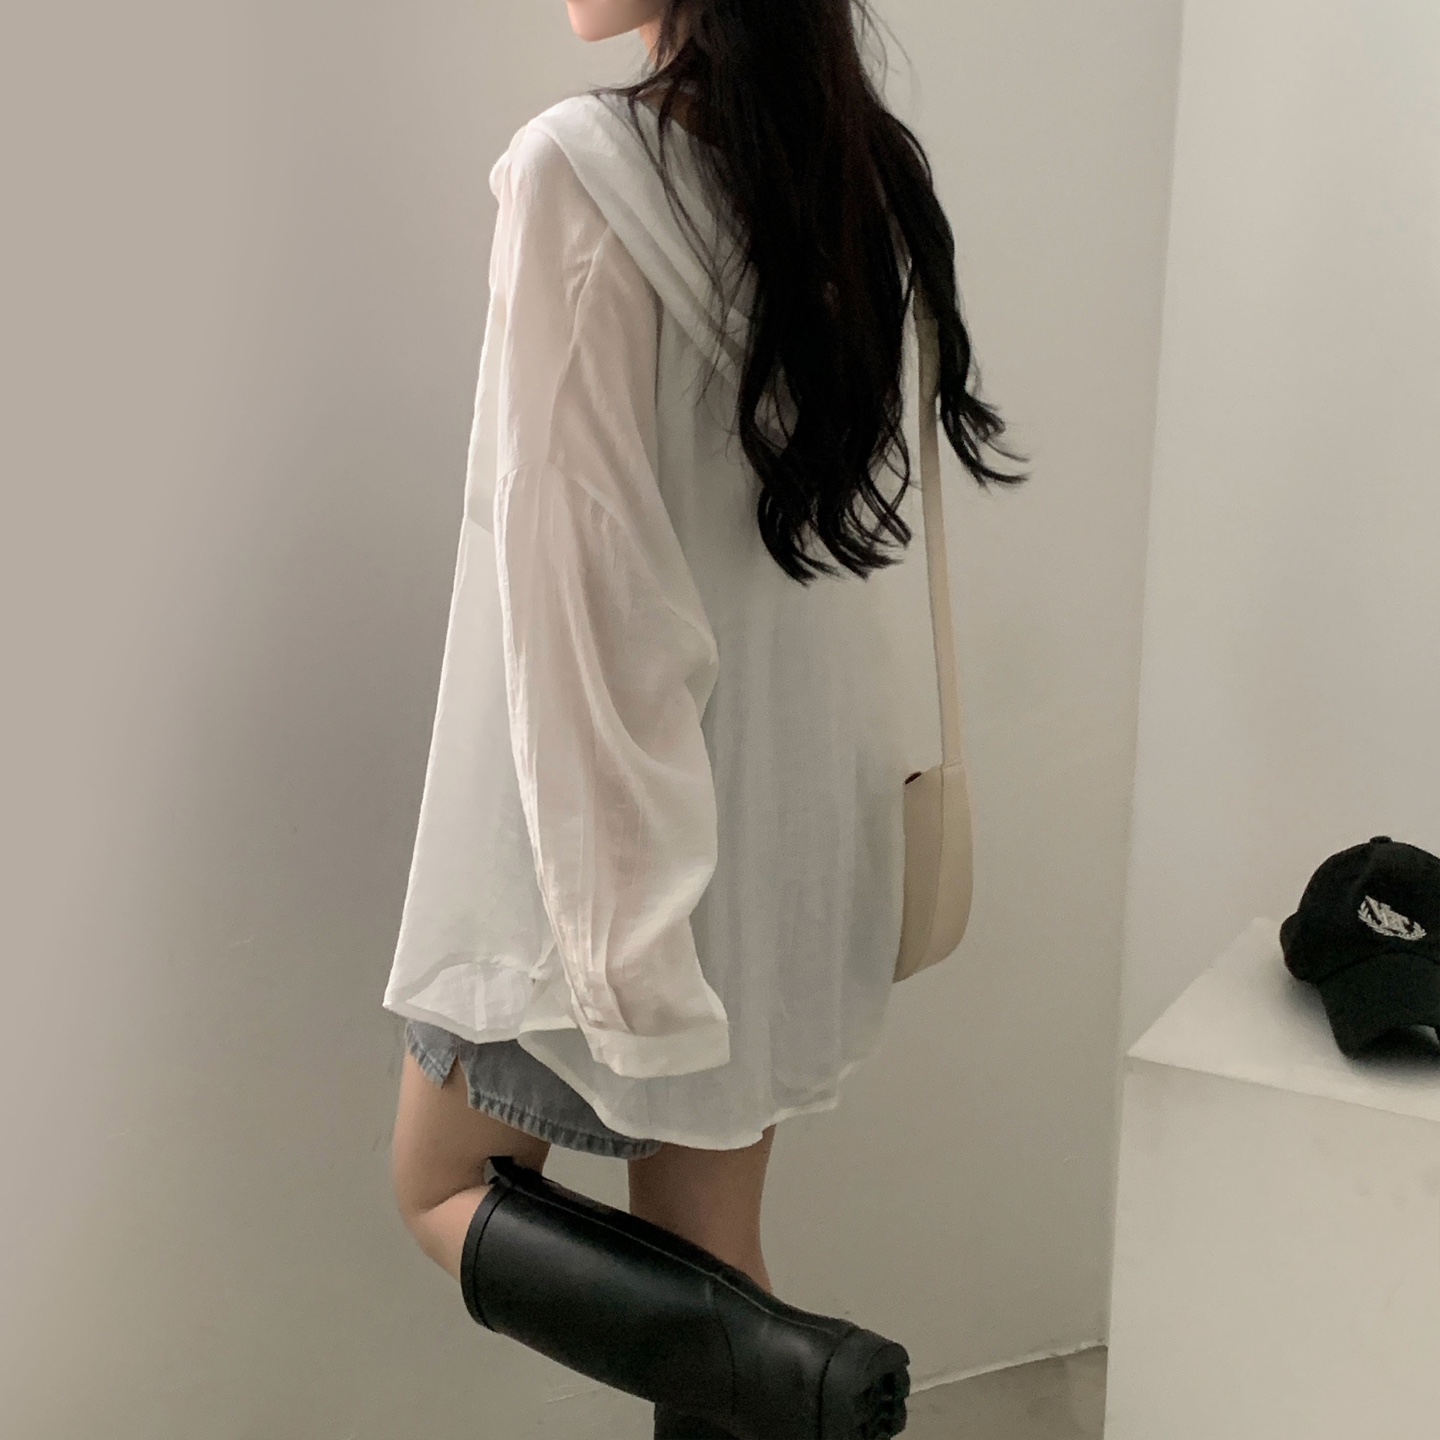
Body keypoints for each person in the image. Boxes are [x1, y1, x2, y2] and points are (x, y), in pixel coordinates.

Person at [386, 3, 1029, 1436]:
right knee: (711, 1263)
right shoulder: (854, 169)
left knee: (437, 1185)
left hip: (608, 836)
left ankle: (818, 1387)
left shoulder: (579, 169)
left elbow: (581, 588)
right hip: (791, 821)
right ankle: (800, 1388)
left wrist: (620, 946)